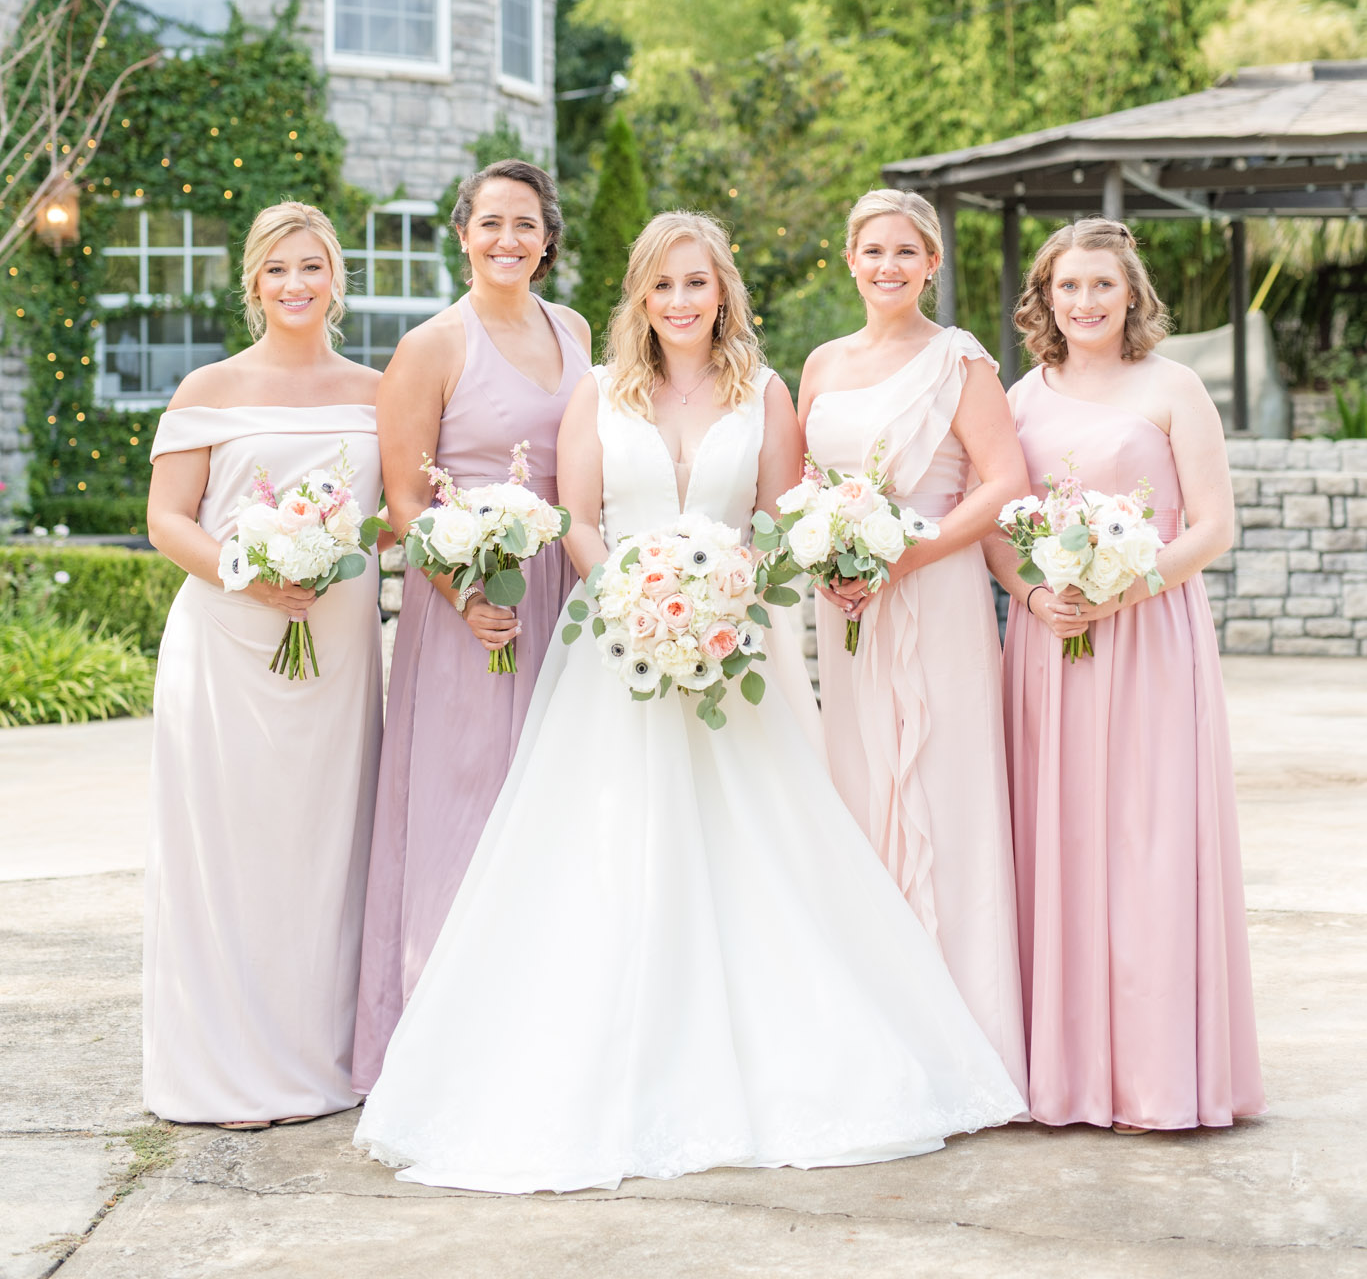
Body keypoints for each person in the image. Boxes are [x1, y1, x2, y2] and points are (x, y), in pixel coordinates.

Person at [354, 212, 1024, 1193]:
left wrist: (722, 595)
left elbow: (780, 513)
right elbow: (578, 519)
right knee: (602, 855)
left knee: (759, 852)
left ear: (722, 292)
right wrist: (628, 596)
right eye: (662, 284)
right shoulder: (595, 390)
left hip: (730, 641)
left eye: (696, 284)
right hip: (613, 650)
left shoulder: (764, 389)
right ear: (639, 293)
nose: (679, 301)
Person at [983, 217, 1264, 1131]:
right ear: (1044, 297)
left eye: (1102, 285)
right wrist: (1032, 597)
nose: (1085, 302)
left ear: (1132, 293)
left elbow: (1212, 527)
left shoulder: (1174, 386)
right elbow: (995, 526)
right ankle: (1064, 1073)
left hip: (1148, 637)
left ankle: (1156, 1076)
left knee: (1148, 841)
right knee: (1056, 841)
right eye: (1068, 287)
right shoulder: (1019, 397)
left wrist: (1124, 588)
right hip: (1048, 644)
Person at [351, 160, 590, 1092]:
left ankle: (544, 1021)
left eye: (524, 224)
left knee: (554, 798)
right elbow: (405, 501)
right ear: (462, 234)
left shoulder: (571, 329)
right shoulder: (430, 347)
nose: (507, 240)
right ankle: (444, 1043)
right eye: (490, 223)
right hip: (471, 605)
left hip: (562, 593)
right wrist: (462, 590)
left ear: (547, 238)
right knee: (466, 803)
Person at [144, 202, 383, 1127]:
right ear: (254, 283)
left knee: (324, 849)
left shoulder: (377, 390)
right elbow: (168, 520)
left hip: (337, 647)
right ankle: (223, 1066)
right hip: (227, 646)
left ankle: (319, 1053)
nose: (296, 284)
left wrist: (331, 548)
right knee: (229, 849)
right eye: (278, 269)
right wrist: (250, 568)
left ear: (335, 280)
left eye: (312, 267)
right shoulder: (208, 386)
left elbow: (393, 513)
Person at [799, 188, 1030, 1096]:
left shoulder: (959, 361)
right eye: (872, 251)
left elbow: (1003, 479)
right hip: (846, 604)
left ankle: (964, 1042)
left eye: (907, 252)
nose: (888, 266)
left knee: (943, 784)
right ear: (848, 260)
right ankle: (877, 1030)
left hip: (932, 591)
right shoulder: (819, 365)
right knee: (858, 789)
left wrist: (908, 553)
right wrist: (829, 556)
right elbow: (806, 485)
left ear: (932, 264)